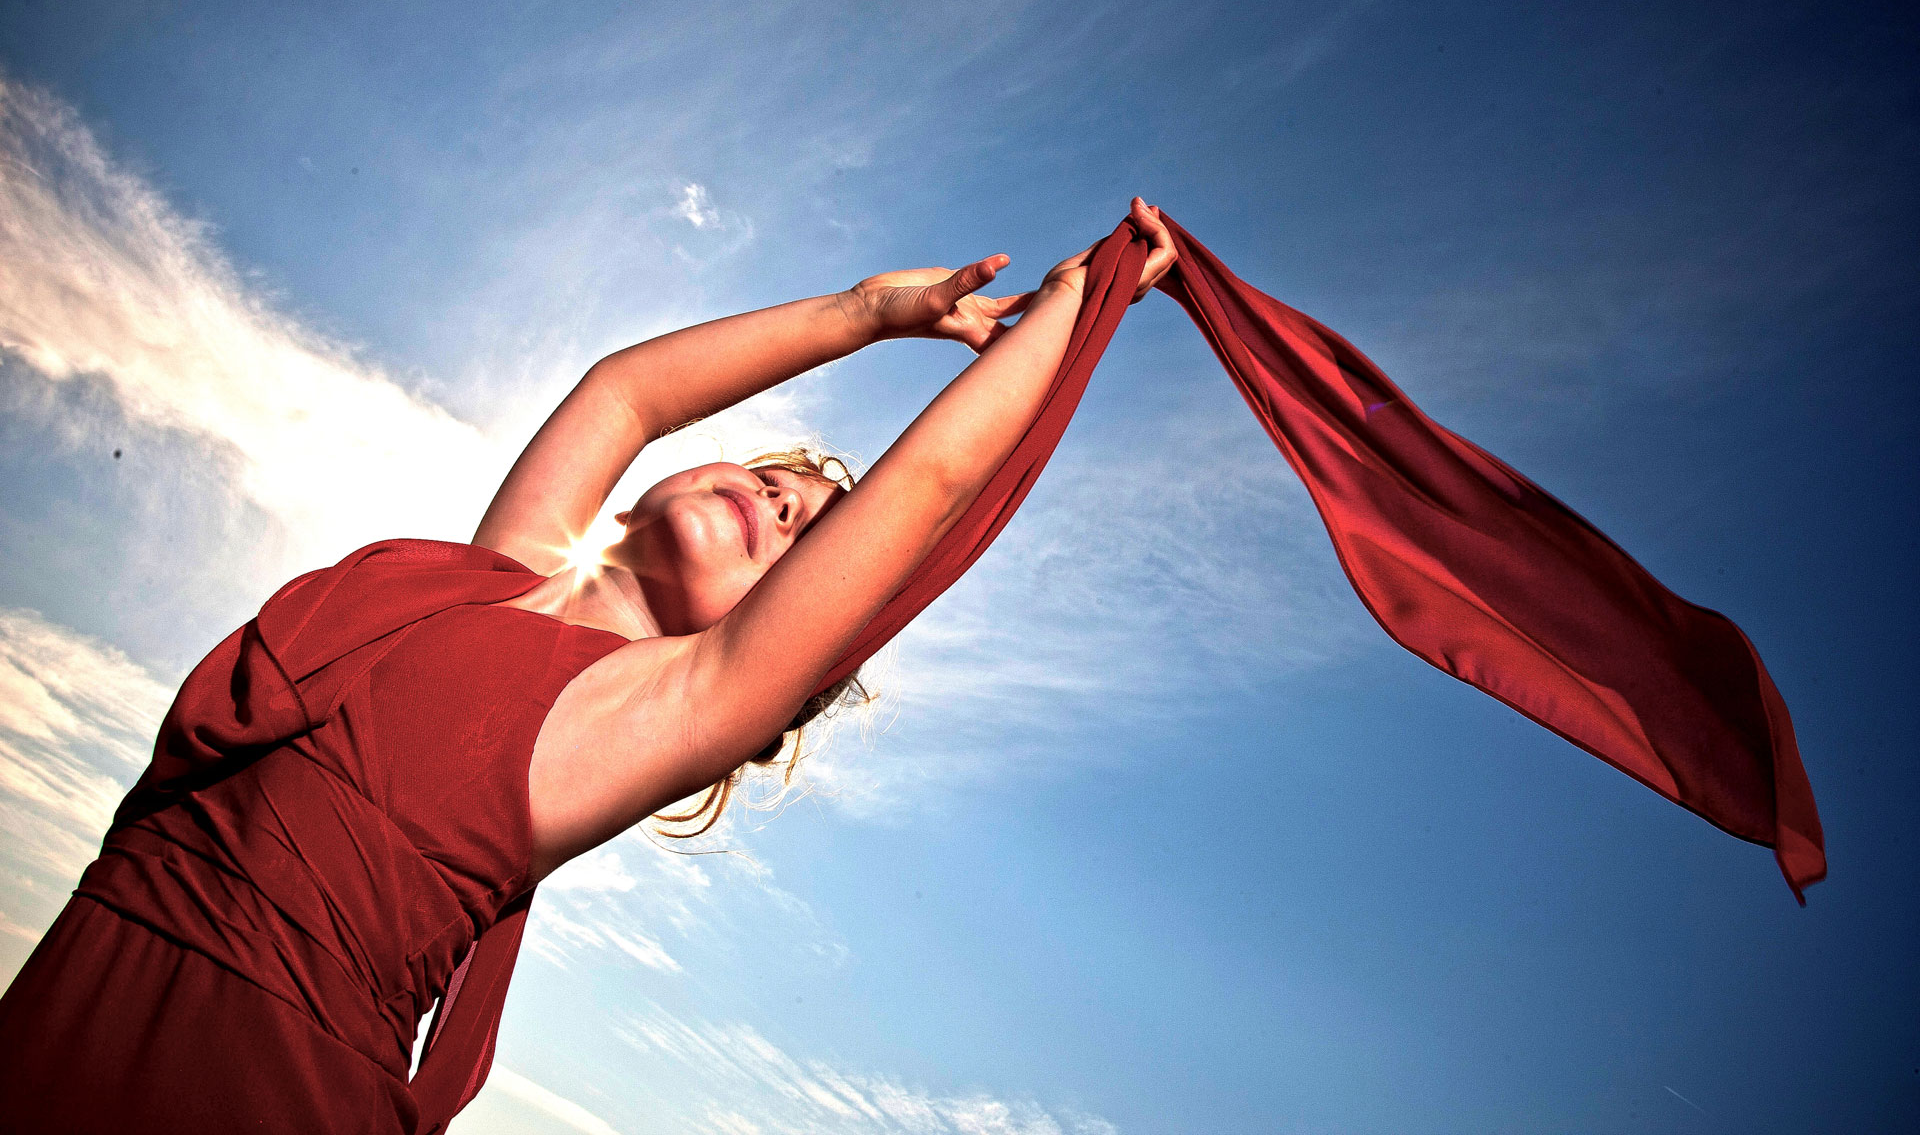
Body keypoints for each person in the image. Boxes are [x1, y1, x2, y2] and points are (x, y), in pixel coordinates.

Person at [0, 199, 1178, 1133]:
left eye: (810, 536)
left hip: (254, 1086)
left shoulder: (657, 712)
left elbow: (927, 491)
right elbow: (625, 392)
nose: (784, 500)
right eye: (783, 480)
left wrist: (1080, 305)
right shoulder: (494, 576)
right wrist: (866, 313)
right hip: (78, 998)